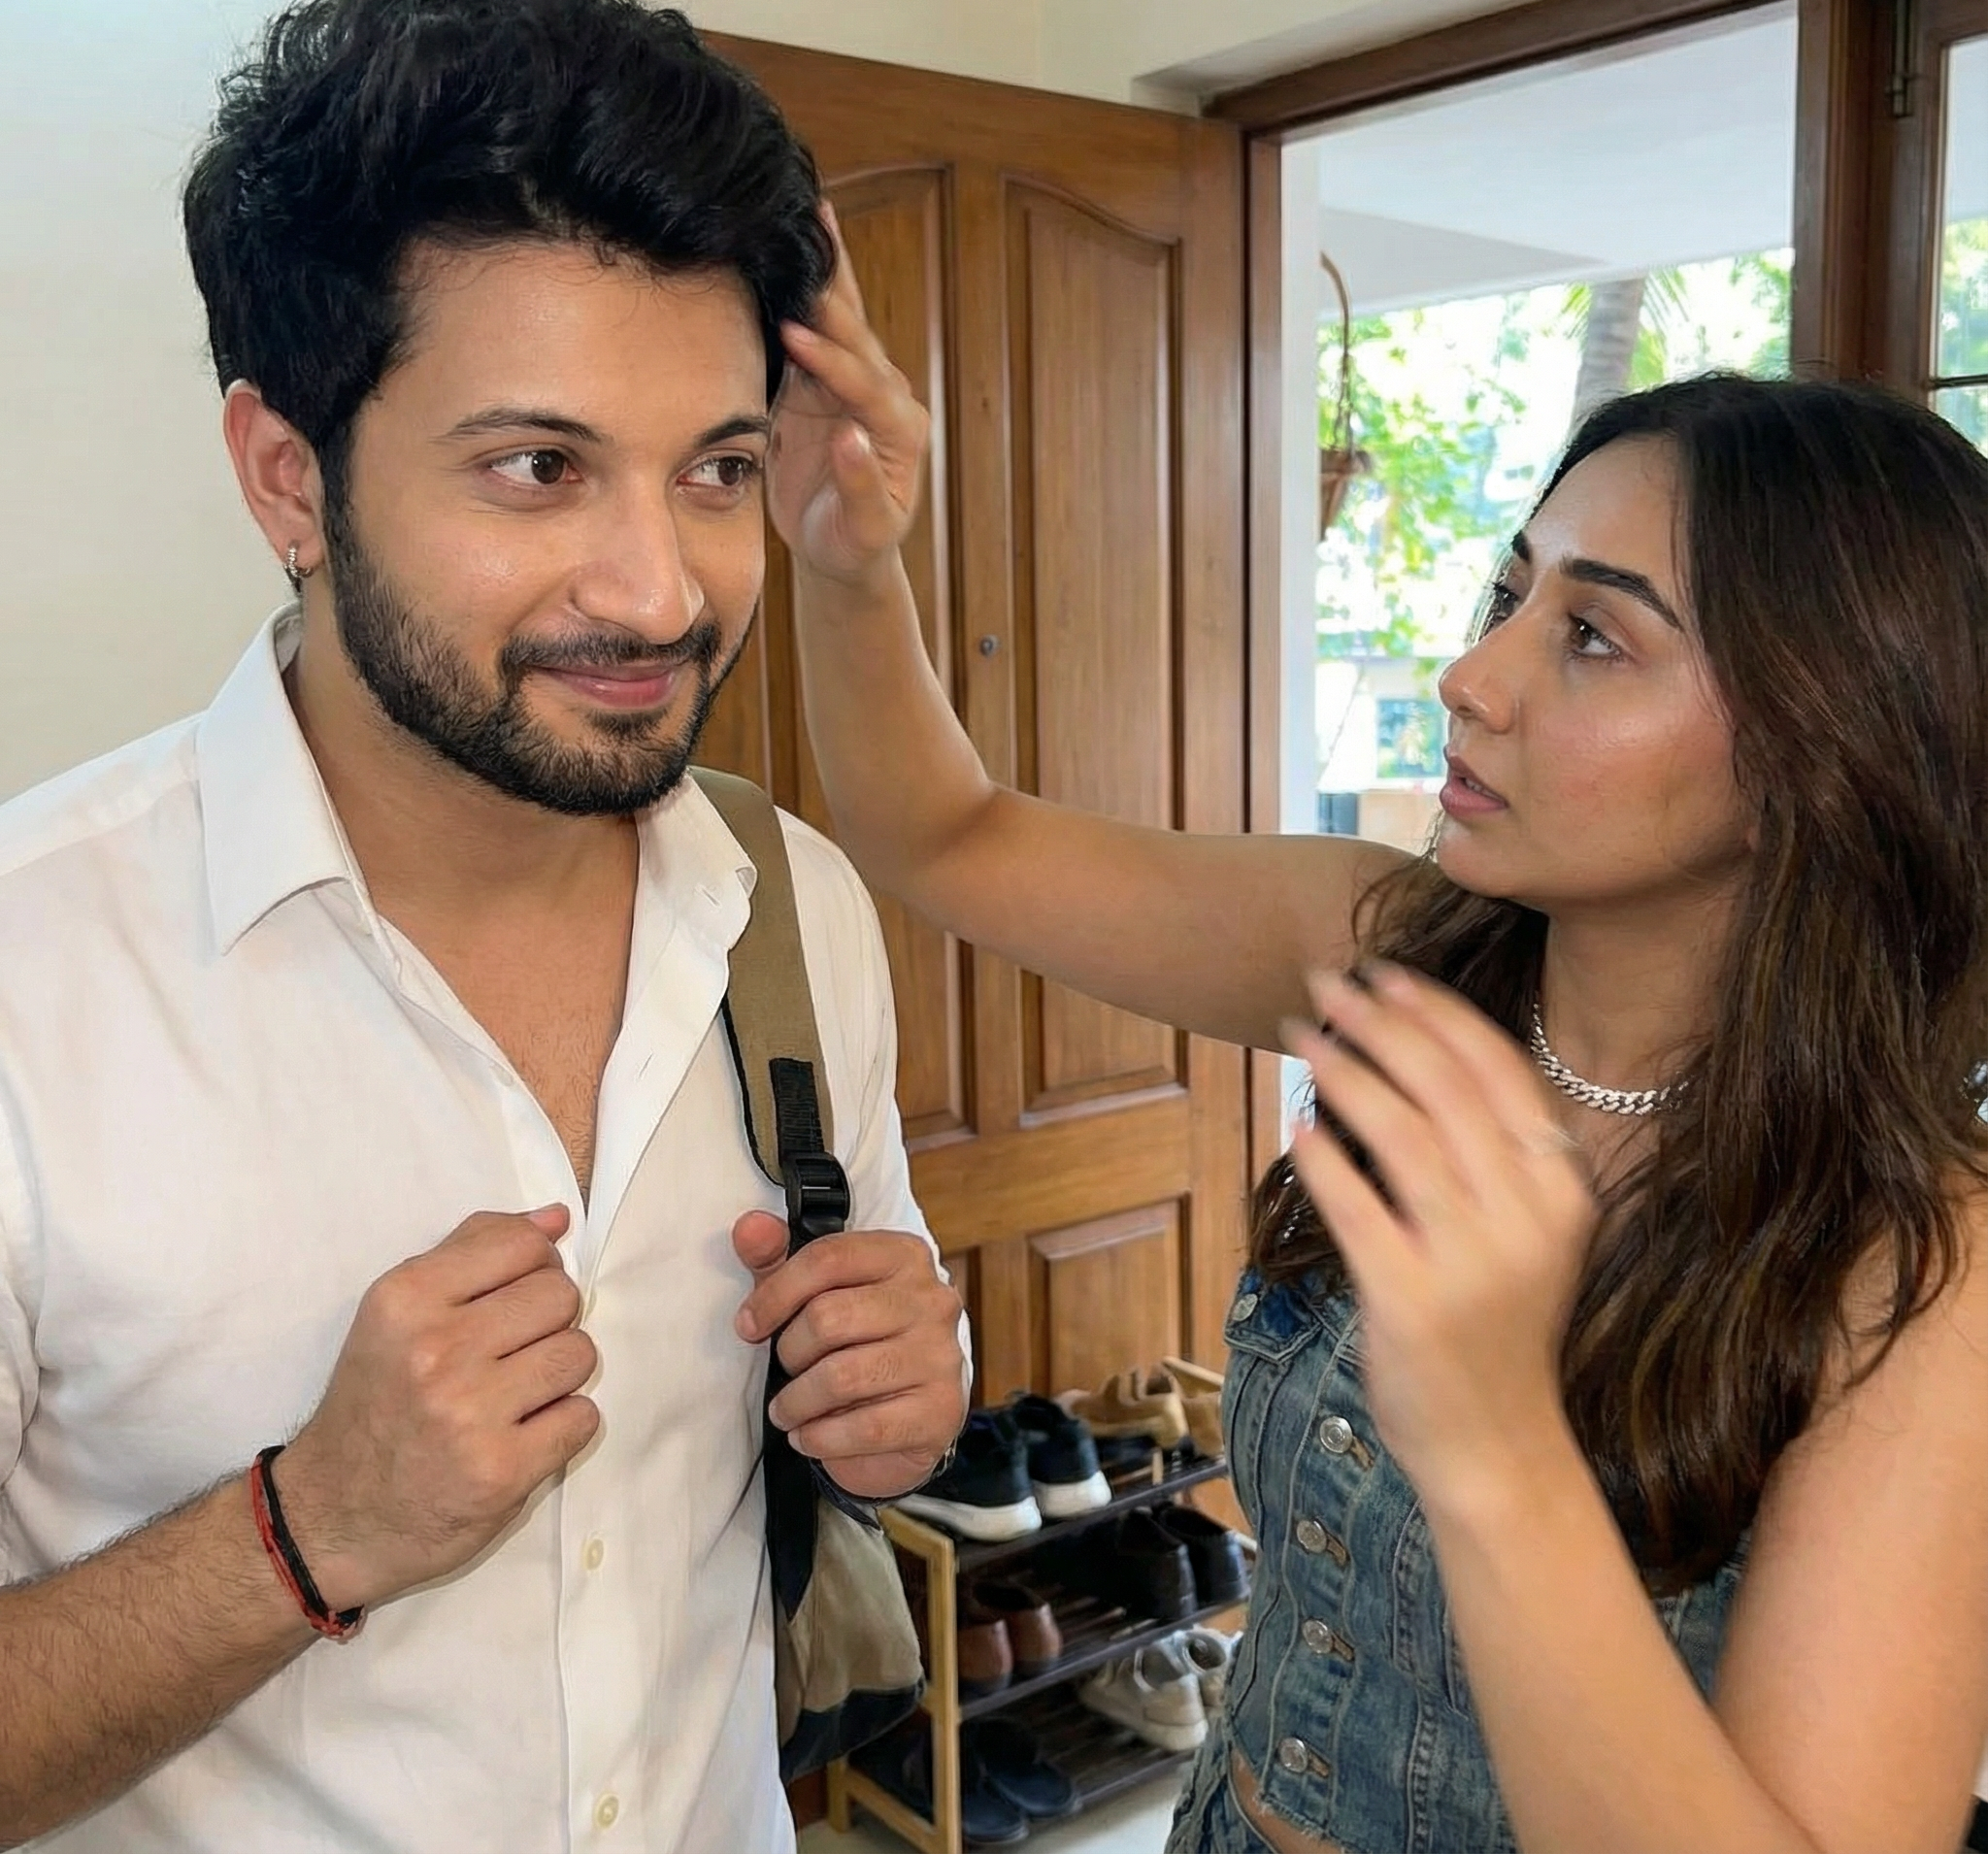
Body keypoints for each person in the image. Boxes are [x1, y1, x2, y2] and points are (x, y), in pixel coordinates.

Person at [766, 255, 1988, 1854]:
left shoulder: (1920, 1267)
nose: (1469, 679)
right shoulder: (1399, 956)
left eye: (1596, 640)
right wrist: (854, 564)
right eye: (1511, 595)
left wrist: (1494, 1437)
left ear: (1823, 755)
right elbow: (950, 836)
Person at [0, 0, 967, 1853]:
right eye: (537, 468)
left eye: (716, 471)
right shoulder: (32, 979)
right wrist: (302, 1533)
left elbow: (857, 1360)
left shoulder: (795, 911)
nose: (660, 588)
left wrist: (894, 1403)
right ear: (288, 478)